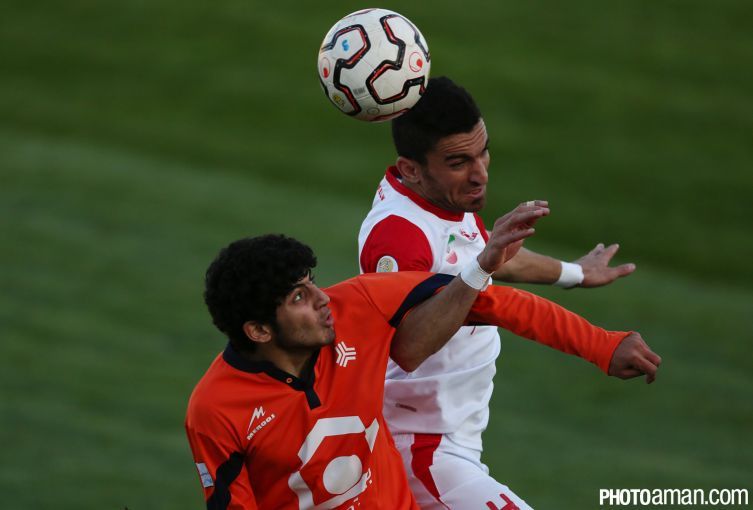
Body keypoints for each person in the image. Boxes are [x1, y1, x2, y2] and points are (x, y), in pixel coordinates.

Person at [185, 226, 659, 508]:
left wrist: (601, 344)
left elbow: (490, 301)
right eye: (298, 297)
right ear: (258, 330)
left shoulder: (360, 304)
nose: (322, 298)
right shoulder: (215, 410)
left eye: (312, 283)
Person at [358, 76, 658, 509]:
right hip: (421, 449)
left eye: (483, 152)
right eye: (459, 162)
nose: (480, 174)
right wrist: (483, 266)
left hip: (448, 440)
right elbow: (407, 347)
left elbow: (483, 254)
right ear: (411, 169)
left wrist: (575, 273)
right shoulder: (399, 236)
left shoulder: (439, 199)